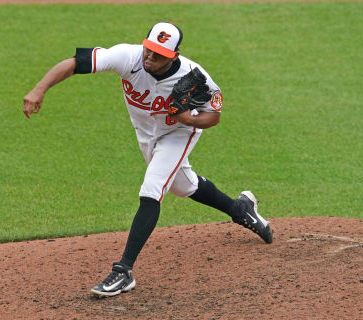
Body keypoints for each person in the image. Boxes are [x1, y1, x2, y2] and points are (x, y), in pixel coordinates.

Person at [23, 22, 273, 298]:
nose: (150, 57)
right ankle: (241, 208)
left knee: (152, 188)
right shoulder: (127, 57)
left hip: (179, 134)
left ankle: (123, 271)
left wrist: (188, 118)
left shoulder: (195, 77)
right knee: (182, 186)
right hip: (146, 135)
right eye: (149, 50)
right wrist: (39, 89)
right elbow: (74, 63)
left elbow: (214, 116)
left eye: (158, 54)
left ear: (174, 55)